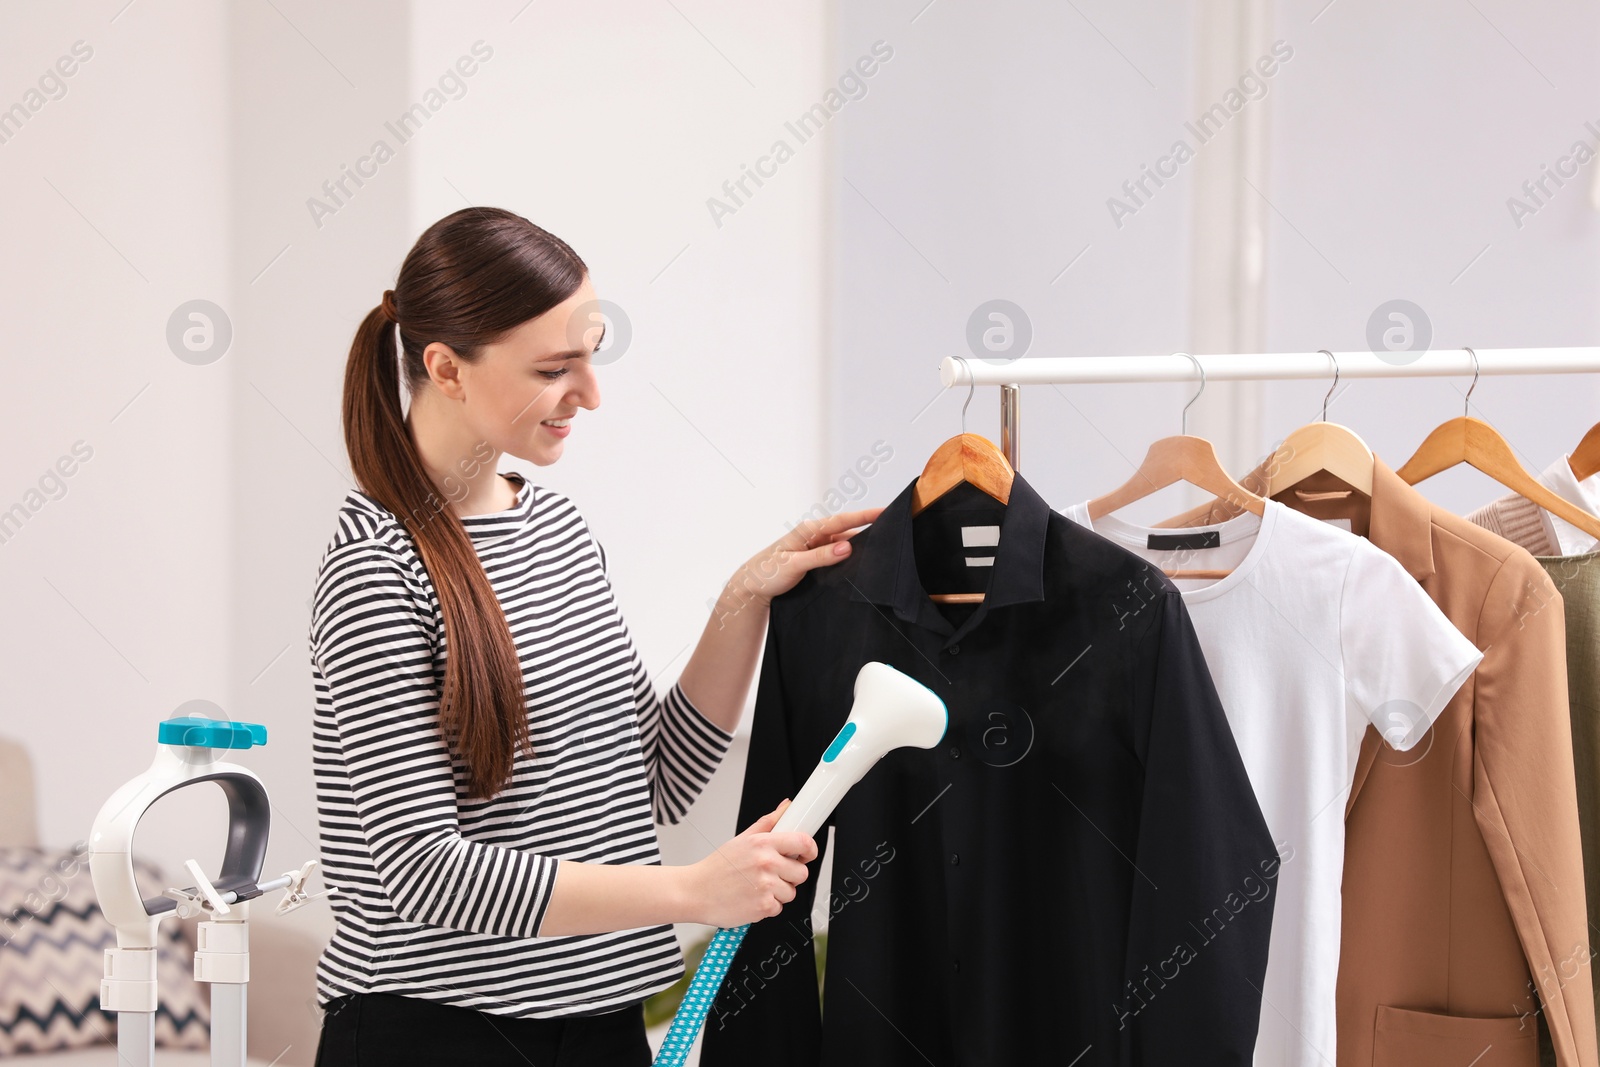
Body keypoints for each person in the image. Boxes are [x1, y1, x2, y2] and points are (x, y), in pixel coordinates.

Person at [308, 207, 878, 1066]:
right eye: (553, 367)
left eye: (592, 353)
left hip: (599, 1024)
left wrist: (744, 599)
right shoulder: (374, 567)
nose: (591, 393)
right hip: (436, 1035)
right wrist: (692, 889)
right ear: (445, 368)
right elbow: (422, 867)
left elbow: (652, 784)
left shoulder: (558, 530)